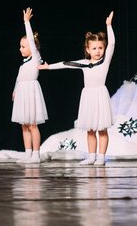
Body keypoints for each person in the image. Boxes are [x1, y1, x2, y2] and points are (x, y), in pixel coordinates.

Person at [38, 12, 115, 166]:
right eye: (94, 48)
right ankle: (92, 156)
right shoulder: (84, 63)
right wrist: (48, 67)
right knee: (90, 129)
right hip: (88, 96)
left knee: (102, 129)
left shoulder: (105, 61)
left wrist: (109, 26)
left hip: (100, 95)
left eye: (100, 48)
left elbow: (112, 44)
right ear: (88, 49)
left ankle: (101, 157)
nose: (98, 51)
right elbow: (65, 64)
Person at [11, 7, 48, 164]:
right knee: (24, 125)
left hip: (31, 93)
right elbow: (19, 79)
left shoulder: (35, 58)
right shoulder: (23, 65)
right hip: (22, 93)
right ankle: (27, 153)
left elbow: (31, 42)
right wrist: (15, 90)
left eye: (23, 46)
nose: (20, 49)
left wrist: (26, 22)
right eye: (20, 46)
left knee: (32, 124)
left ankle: (36, 154)